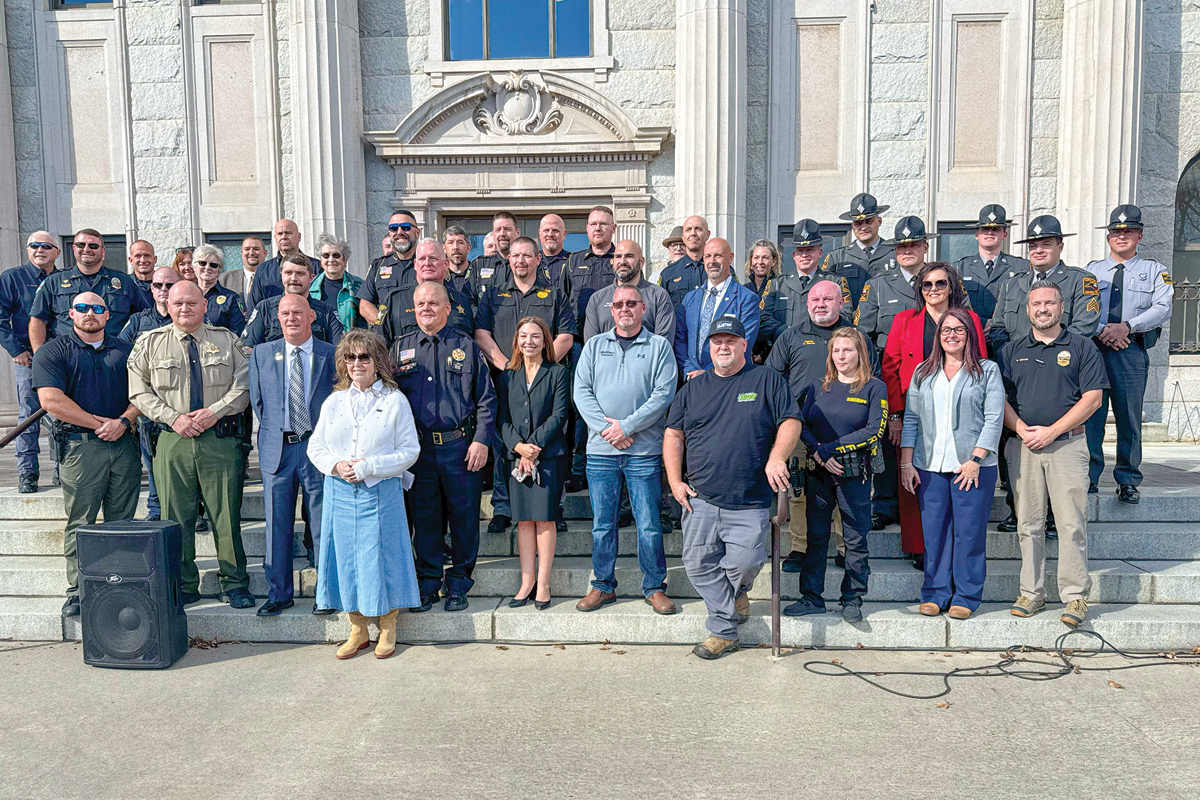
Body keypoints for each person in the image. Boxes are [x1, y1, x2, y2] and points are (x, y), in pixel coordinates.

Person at [665, 315, 800, 660]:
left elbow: (790, 421)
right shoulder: (692, 388)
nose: (722, 347)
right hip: (701, 497)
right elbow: (674, 434)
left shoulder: (766, 379)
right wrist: (675, 481)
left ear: (744, 345)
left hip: (749, 497)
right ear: (709, 347)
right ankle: (724, 629)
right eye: (717, 341)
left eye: (730, 341)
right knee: (697, 565)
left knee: (745, 563)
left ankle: (735, 596)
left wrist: (777, 457)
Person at [127, 281, 255, 610]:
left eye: (192, 303)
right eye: (178, 303)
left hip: (219, 440)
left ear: (205, 305)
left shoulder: (227, 340)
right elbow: (138, 391)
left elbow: (244, 385)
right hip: (173, 439)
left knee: (226, 516)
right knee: (175, 517)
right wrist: (173, 418)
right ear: (168, 306)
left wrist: (215, 412)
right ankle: (184, 584)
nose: (185, 308)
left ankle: (235, 582)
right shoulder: (149, 342)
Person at [307, 330, 422, 659]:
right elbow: (316, 446)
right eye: (350, 357)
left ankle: (388, 626)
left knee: (384, 557)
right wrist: (336, 464)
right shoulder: (334, 401)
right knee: (345, 560)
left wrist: (370, 466)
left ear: (377, 360)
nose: (356, 363)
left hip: (380, 493)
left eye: (364, 357)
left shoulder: (394, 400)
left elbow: (409, 451)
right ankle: (357, 628)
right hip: (340, 493)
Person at [999, 281, 1107, 627]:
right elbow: (999, 399)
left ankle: (1075, 596)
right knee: (1028, 523)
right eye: (1036, 304)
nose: (1042, 309)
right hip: (1024, 446)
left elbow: (1093, 399)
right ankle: (1031, 593)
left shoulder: (1083, 347)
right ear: (1027, 310)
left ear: (1062, 308)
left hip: (1067, 446)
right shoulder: (1011, 350)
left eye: (1049, 303)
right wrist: (1020, 429)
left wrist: (1053, 431)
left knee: (1071, 523)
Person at [989, 215, 1101, 533]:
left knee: (1058, 444)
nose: (1038, 249)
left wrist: (1050, 353)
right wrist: (1014, 356)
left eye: (1046, 243)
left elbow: (1084, 326)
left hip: (1062, 371)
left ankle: (1053, 515)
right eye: (1033, 245)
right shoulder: (1012, 283)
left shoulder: (1081, 280)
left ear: (1060, 245)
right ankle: (1017, 508)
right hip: (1019, 373)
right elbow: (998, 326)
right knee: (1015, 443)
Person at [32, 292, 141, 617]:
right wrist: (101, 424)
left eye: (97, 308)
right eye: (82, 307)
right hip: (80, 449)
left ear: (108, 315)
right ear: (71, 314)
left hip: (123, 445)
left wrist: (124, 421)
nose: (89, 313)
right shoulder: (53, 351)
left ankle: (119, 585)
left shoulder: (126, 350)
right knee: (81, 522)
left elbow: (144, 392)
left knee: (122, 522)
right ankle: (79, 591)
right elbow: (51, 400)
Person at [392, 282, 495, 613]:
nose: (426, 308)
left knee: (463, 519)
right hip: (417, 451)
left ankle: (459, 583)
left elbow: (486, 400)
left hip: (460, 448)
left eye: (433, 303)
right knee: (425, 519)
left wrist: (481, 440)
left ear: (447, 308)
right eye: (420, 303)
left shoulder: (466, 346)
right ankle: (428, 583)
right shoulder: (400, 348)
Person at [574, 285, 678, 614]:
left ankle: (654, 587)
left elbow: (663, 394)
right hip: (601, 451)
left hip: (643, 451)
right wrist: (608, 430)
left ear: (643, 308)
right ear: (611, 310)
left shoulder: (659, 346)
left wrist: (627, 426)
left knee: (648, 524)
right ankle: (603, 586)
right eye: (618, 304)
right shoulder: (594, 346)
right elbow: (581, 391)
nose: (624, 309)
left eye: (631, 303)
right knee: (603, 525)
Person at [900, 308, 1004, 619]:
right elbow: (911, 419)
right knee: (934, 534)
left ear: (970, 334)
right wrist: (906, 462)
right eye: (946, 330)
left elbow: (994, 418)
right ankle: (935, 592)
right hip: (930, 466)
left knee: (969, 534)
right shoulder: (923, 372)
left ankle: (966, 595)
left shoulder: (987, 371)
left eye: (959, 329)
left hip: (972, 469)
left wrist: (976, 459)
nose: (952, 335)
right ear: (938, 336)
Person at [882, 262, 984, 570]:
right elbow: (890, 367)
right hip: (915, 413)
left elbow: (980, 363)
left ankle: (952, 547)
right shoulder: (904, 320)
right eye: (927, 284)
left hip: (959, 413)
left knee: (956, 481)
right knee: (914, 481)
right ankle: (919, 546)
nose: (934, 289)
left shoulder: (969, 319)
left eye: (940, 283)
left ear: (951, 287)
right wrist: (896, 415)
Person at [766, 279, 873, 570]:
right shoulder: (791, 336)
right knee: (798, 491)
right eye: (815, 299)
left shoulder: (858, 337)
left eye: (828, 299)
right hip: (800, 430)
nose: (821, 305)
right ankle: (799, 548)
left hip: (846, 432)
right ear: (807, 303)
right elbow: (772, 380)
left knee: (844, 491)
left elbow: (870, 379)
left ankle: (844, 548)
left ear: (841, 303)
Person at [475, 235, 575, 533]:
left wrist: (541, 366)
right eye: (516, 255)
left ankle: (553, 507)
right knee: (505, 442)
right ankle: (503, 507)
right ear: (509, 260)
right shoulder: (493, 295)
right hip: (506, 380)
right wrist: (509, 367)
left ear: (537, 259)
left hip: (545, 381)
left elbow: (565, 336)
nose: (521, 260)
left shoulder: (555, 295)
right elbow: (482, 335)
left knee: (550, 440)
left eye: (527, 255)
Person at [786, 327, 887, 622]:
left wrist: (831, 449)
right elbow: (802, 424)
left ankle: (852, 598)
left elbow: (874, 430)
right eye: (836, 350)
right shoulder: (819, 386)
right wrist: (819, 452)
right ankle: (811, 597)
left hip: (853, 474)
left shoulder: (874, 387)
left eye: (848, 350)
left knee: (855, 539)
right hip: (819, 472)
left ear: (860, 353)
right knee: (816, 537)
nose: (841, 356)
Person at [249, 295, 337, 617]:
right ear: (277, 317)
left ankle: (326, 593)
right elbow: (259, 403)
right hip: (278, 449)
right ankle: (279, 594)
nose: (291, 318)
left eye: (298, 312)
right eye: (284, 313)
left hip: (317, 448)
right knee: (277, 525)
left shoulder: (331, 353)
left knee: (322, 523)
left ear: (312, 316)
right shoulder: (261, 353)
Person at [1084, 204, 1172, 504]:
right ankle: (1089, 477)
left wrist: (1128, 327)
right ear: (1108, 237)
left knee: (1129, 418)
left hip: (1130, 351)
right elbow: (1080, 308)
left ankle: (1128, 479)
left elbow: (1163, 308)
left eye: (1129, 231)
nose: (1122, 236)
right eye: (1116, 232)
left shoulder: (1155, 271)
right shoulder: (1091, 271)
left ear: (1140, 235)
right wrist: (1103, 330)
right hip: (1095, 351)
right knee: (1091, 416)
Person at [855, 215, 935, 531]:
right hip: (891, 378)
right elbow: (863, 335)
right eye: (901, 246)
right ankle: (885, 505)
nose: (907, 251)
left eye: (914, 244)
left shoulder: (941, 282)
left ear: (925, 247)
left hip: (935, 378)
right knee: (889, 442)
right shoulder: (877, 285)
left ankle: (924, 503)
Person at [497, 316, 570, 610]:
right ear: (516, 341)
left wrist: (533, 448)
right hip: (516, 458)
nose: (529, 341)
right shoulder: (507, 376)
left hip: (548, 456)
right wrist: (518, 447)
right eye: (524, 336)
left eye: (536, 336)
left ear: (545, 341)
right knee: (524, 521)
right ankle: (526, 582)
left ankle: (543, 584)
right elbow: (501, 417)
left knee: (545, 518)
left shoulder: (558, 373)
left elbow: (560, 414)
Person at [120, 266, 181, 521]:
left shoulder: (190, 317)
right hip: (148, 405)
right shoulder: (138, 321)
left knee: (183, 461)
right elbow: (120, 353)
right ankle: (156, 509)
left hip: (181, 403)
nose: (163, 290)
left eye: (169, 285)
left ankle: (193, 509)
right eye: (158, 285)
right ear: (151, 289)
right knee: (153, 458)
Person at [0, 232, 59, 493]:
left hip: (60, 358)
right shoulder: (12, 278)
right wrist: (16, 350)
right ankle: (27, 472)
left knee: (62, 413)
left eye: (46, 246)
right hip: (28, 358)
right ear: (27, 250)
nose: (40, 250)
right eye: (34, 245)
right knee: (28, 415)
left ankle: (62, 468)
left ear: (57, 252)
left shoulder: (63, 279)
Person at [29, 228, 148, 348]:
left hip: (113, 352)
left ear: (103, 251)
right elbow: (38, 320)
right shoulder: (54, 281)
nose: (86, 249)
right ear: (74, 248)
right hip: (67, 352)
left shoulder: (124, 282)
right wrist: (40, 355)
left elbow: (144, 317)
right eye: (81, 245)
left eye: (93, 246)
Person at [673, 237, 761, 380]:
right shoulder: (690, 298)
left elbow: (743, 344)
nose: (712, 261)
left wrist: (708, 373)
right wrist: (689, 370)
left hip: (730, 380)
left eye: (718, 255)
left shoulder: (747, 299)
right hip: (691, 380)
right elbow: (679, 339)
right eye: (707, 256)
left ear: (730, 258)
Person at [377, 238, 474, 345]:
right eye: (422, 259)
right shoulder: (394, 300)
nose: (427, 263)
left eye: (433, 258)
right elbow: (378, 344)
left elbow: (470, 343)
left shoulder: (461, 301)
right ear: (415, 264)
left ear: (446, 264)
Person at [953, 204, 1028, 329]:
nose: (989, 233)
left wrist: (996, 325)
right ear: (976, 234)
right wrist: (981, 323)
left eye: (996, 229)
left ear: (1005, 234)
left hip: (1007, 332)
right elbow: (955, 305)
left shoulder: (1021, 267)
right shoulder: (959, 268)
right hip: (972, 331)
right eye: (984, 229)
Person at [583, 239, 674, 342]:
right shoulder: (597, 299)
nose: (622, 262)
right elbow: (592, 344)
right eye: (618, 256)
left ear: (641, 262)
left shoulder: (659, 296)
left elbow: (664, 342)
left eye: (629, 256)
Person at [243, 254, 344, 347]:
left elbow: (340, 351)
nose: (293, 278)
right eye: (288, 273)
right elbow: (247, 348)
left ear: (311, 278)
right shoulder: (264, 309)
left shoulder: (327, 312)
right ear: (281, 275)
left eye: (300, 274)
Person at [770, 220, 851, 333]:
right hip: (786, 342)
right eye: (800, 250)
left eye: (810, 250)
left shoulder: (835, 283)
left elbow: (845, 314)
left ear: (820, 253)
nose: (804, 255)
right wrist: (784, 333)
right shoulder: (777, 284)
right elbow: (764, 317)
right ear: (794, 255)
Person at [358, 210, 420, 325]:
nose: (399, 232)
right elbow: (365, 305)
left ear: (417, 232)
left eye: (406, 227)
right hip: (389, 335)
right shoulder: (379, 266)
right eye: (393, 228)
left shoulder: (428, 264)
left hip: (422, 333)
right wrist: (383, 324)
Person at [248, 219, 321, 308]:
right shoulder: (263, 269)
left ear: (299, 237)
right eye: (279, 234)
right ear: (275, 238)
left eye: (288, 233)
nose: (284, 237)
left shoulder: (316, 266)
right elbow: (254, 306)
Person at [824, 192, 895, 278]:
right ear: (852, 226)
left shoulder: (895, 253)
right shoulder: (838, 257)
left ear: (879, 221)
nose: (863, 228)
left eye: (868, 222)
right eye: (858, 223)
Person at [311, 233, 364, 332]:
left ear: (344, 260)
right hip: (319, 341)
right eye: (326, 255)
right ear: (321, 261)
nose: (331, 260)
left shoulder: (359, 286)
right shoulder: (310, 286)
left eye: (336, 255)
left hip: (349, 340)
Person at [742, 238, 784, 362]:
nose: (760, 262)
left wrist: (764, 354)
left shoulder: (781, 288)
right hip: (747, 357)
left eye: (765, 258)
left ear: (774, 261)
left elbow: (778, 324)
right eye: (756, 258)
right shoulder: (744, 290)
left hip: (774, 356)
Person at [192, 245, 247, 335]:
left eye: (213, 265)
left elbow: (236, 334)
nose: (207, 267)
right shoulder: (184, 295)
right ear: (194, 267)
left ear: (219, 270)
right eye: (202, 263)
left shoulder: (231, 298)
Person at [657, 215, 707, 312]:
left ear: (707, 234)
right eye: (689, 230)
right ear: (683, 237)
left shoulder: (722, 270)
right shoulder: (667, 274)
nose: (693, 233)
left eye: (698, 229)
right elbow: (659, 310)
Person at [470, 212, 518, 291]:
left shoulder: (528, 264)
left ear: (517, 233)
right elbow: (469, 296)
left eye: (507, 229)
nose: (502, 233)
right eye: (497, 230)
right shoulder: (479, 265)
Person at [219, 235, 265, 307]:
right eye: (247, 249)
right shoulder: (225, 278)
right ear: (241, 253)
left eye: (256, 249)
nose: (251, 252)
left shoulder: (274, 277)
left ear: (265, 252)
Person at [442, 225, 475, 300]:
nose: (455, 247)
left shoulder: (476, 274)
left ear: (468, 248)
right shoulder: (439, 276)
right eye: (450, 242)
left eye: (460, 242)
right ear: (444, 248)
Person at [538, 213, 571, 287]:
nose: (550, 234)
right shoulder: (532, 261)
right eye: (546, 230)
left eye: (555, 230)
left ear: (564, 234)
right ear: (539, 234)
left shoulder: (572, 262)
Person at [128, 240, 158, 306]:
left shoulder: (167, 284)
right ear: (131, 260)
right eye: (138, 256)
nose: (143, 260)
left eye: (147, 255)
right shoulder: (125, 285)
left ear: (154, 259)